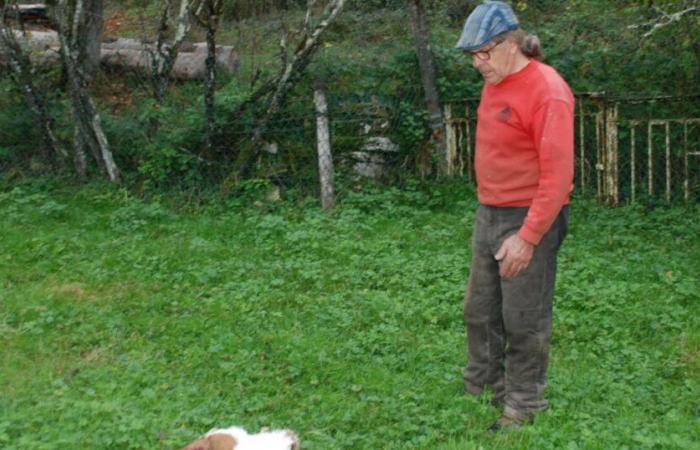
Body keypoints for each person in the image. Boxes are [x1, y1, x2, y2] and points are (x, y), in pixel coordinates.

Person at [454, 1, 574, 432]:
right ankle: (483, 386)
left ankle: (524, 404)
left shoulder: (548, 90)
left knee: (523, 317)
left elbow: (558, 176)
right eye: (472, 56)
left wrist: (528, 236)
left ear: (511, 43)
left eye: (484, 52)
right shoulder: (496, 79)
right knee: (480, 310)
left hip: (529, 215)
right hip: (490, 210)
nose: (477, 63)